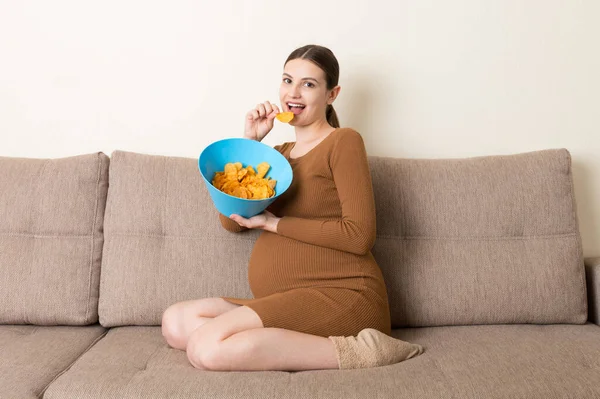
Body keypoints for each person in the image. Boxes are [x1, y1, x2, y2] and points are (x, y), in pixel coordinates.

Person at [161, 44, 423, 371]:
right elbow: (233, 221)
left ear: (332, 94)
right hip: (288, 302)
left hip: (342, 295)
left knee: (206, 348)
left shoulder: (343, 142)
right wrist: (250, 145)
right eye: (287, 81)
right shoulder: (277, 154)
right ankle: (278, 340)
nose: (293, 92)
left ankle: (366, 351)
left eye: (308, 84)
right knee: (176, 322)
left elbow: (359, 236)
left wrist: (274, 224)